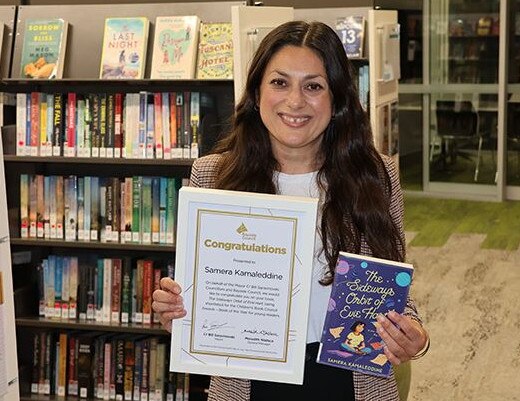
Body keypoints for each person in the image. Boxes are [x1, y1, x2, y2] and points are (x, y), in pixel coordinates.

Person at [152, 20, 429, 401]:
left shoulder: (376, 176)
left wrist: (415, 335)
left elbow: (391, 285)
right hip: (247, 380)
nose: (295, 102)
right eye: (280, 83)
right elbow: (203, 295)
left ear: (338, 99)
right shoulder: (212, 176)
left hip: (347, 378)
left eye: (313, 86)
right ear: (256, 92)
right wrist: (176, 309)